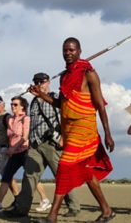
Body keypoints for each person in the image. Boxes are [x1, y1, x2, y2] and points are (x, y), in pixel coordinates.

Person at [28, 37, 115, 223]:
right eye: (65, 50)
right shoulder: (65, 76)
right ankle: (107, 210)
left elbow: (100, 104)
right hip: (69, 128)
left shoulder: (88, 73)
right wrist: (41, 94)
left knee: (64, 166)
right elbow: (63, 104)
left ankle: (52, 216)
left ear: (80, 51)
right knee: (87, 172)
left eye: (72, 50)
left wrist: (107, 133)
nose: (68, 53)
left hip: (85, 128)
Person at [4, 73, 80, 218]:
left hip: (52, 143)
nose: (39, 84)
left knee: (61, 176)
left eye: (42, 81)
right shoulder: (32, 101)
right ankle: (22, 208)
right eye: (36, 82)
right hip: (35, 145)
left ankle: (74, 206)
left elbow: (68, 117)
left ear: (48, 82)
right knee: (29, 175)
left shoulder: (56, 97)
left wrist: (64, 137)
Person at [0, 96, 30, 212]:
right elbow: (2, 135)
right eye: (12, 104)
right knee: (6, 178)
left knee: (30, 177)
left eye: (15, 104)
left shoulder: (26, 118)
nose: (12, 106)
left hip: (24, 151)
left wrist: (11, 148)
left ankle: (43, 200)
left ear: (22, 106)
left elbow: (25, 137)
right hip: (13, 153)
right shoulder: (11, 119)